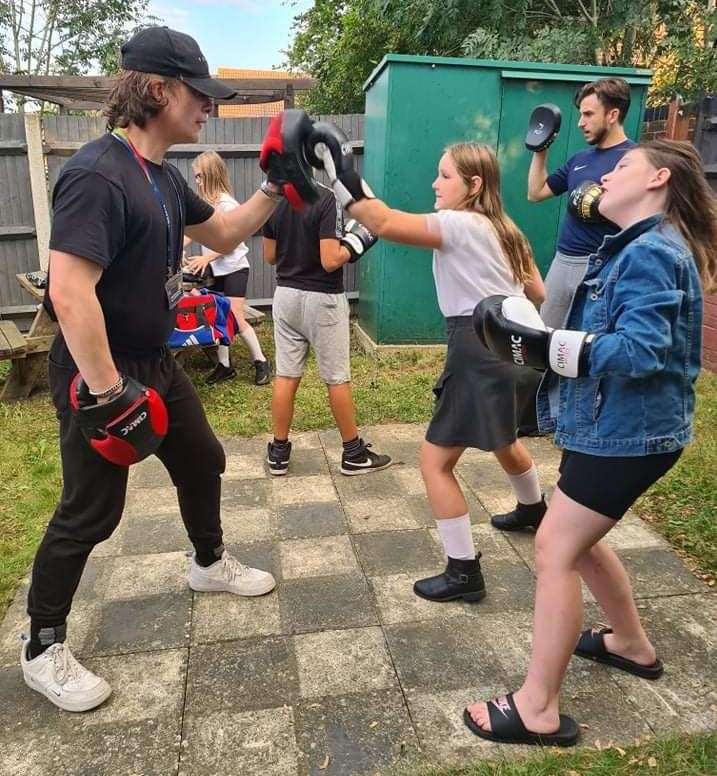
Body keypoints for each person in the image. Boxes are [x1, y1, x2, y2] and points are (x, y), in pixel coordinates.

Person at [20, 26, 310, 713]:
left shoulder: (165, 177)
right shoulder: (96, 173)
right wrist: (106, 392)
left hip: (156, 363)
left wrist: (276, 186)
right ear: (157, 89)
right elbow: (69, 290)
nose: (208, 106)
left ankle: (207, 563)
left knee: (203, 458)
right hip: (101, 374)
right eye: (198, 95)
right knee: (91, 513)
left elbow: (225, 236)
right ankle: (42, 645)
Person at [465, 139, 716, 746]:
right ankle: (630, 643)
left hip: (631, 433)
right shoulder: (630, 247)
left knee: (553, 546)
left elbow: (641, 351)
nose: (607, 174)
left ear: (658, 179)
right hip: (611, 426)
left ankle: (537, 708)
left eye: (622, 166)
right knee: (575, 540)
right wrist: (543, 337)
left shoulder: (652, 252)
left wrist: (548, 347)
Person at [310, 133, 547, 601]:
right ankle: (533, 510)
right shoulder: (506, 229)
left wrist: (338, 172)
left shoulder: (457, 224)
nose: (434, 183)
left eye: (444, 176)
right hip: (524, 344)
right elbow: (537, 293)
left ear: (473, 184)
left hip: (479, 346)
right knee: (505, 438)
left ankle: (463, 572)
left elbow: (381, 221)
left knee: (435, 463)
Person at [262, 181, 392, 476]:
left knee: (286, 374)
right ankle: (354, 454)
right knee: (336, 377)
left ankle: (278, 452)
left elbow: (269, 257)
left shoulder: (272, 198)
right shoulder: (324, 197)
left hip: (285, 296)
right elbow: (330, 260)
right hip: (322, 300)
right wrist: (357, 242)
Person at [528, 77, 634, 330]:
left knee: (588, 342)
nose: (580, 122)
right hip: (562, 262)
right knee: (544, 338)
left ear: (613, 115)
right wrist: (540, 148)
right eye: (580, 114)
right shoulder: (580, 160)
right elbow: (536, 192)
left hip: (602, 267)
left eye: (588, 114)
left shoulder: (636, 160)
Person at [185, 150, 271, 385]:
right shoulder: (207, 204)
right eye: (196, 177)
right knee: (219, 317)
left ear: (212, 175)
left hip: (234, 268)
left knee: (235, 316)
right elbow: (196, 233)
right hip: (218, 270)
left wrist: (206, 259)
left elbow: (232, 242)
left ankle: (261, 361)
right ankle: (224, 366)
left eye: (200, 176)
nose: (197, 181)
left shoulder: (226, 204)